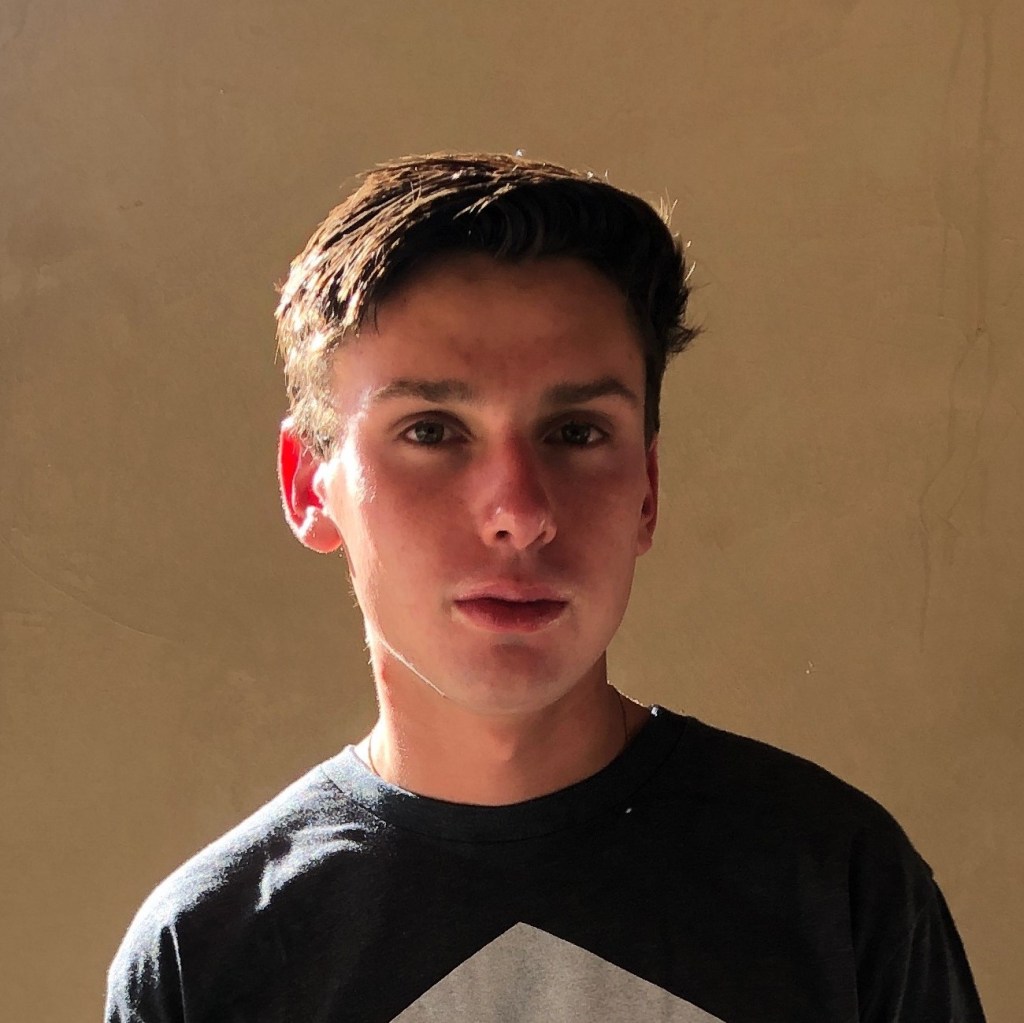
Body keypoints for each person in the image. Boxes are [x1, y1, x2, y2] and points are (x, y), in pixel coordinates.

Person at [106, 153, 986, 1022]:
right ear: (309, 483)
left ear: (647, 489)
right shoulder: (207, 958)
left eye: (575, 432)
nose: (519, 513)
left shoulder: (840, 888)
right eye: (431, 430)